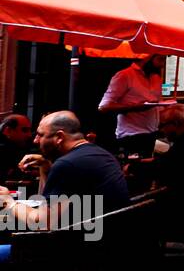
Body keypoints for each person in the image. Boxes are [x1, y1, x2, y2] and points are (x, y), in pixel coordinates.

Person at [0, 111, 129, 236]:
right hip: (106, 238)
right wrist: (45, 168)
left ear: (59, 137)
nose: (35, 140)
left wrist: (9, 203)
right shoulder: (100, 153)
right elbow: (45, 204)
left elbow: (44, 224)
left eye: (40, 135)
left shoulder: (68, 164)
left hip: (77, 249)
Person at [98, 55, 168, 157]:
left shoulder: (156, 78)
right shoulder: (124, 75)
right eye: (161, 59)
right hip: (131, 136)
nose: (163, 65)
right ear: (146, 57)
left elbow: (158, 105)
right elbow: (104, 107)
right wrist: (136, 107)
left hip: (152, 134)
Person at [0, 114, 34, 182]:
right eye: (24, 130)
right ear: (8, 131)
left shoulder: (18, 146)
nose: (29, 135)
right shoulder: (5, 150)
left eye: (30, 130)